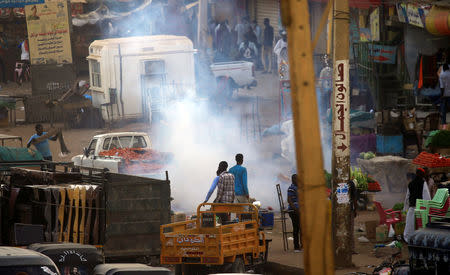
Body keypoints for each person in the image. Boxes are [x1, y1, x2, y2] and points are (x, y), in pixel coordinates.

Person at [403, 168, 431, 242]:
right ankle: (419, 239)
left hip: (412, 207)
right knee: (421, 224)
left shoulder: (411, 183)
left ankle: (408, 239)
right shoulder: (423, 183)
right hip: (420, 208)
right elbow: (426, 196)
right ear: (422, 174)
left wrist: (405, 208)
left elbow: (407, 197)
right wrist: (429, 207)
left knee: (410, 224)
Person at [287, 174, 302, 252]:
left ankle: (302, 246)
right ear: (293, 180)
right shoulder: (291, 188)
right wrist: (296, 210)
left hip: (300, 211)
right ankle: (296, 247)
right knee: (296, 228)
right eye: (297, 179)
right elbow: (289, 201)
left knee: (302, 228)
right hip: (294, 211)